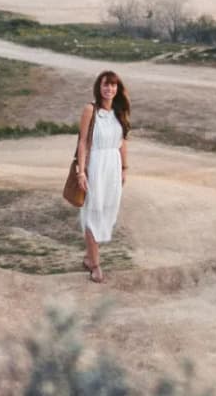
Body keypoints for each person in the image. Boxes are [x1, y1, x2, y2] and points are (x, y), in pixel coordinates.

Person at [76, 71, 130, 284]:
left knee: (107, 210)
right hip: (96, 164)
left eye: (113, 85)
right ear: (99, 88)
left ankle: (90, 258)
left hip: (113, 166)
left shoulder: (119, 111)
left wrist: (125, 168)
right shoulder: (91, 109)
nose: (109, 89)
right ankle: (96, 265)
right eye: (106, 85)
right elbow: (82, 142)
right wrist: (81, 171)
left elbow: (123, 141)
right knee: (92, 212)